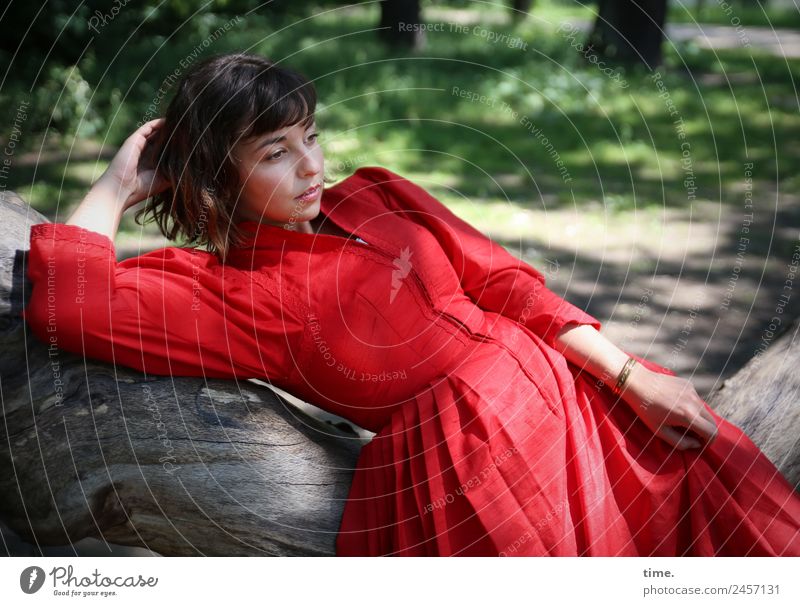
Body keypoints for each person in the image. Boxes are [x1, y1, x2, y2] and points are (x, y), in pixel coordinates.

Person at [23, 52, 800, 556]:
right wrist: (121, 183)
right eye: (274, 153)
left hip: (572, 394)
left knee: (740, 510)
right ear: (211, 183)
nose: (310, 166)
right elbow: (69, 303)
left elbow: (507, 285)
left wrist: (631, 377)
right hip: (476, 467)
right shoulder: (232, 298)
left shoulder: (378, 193)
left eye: (310, 138)